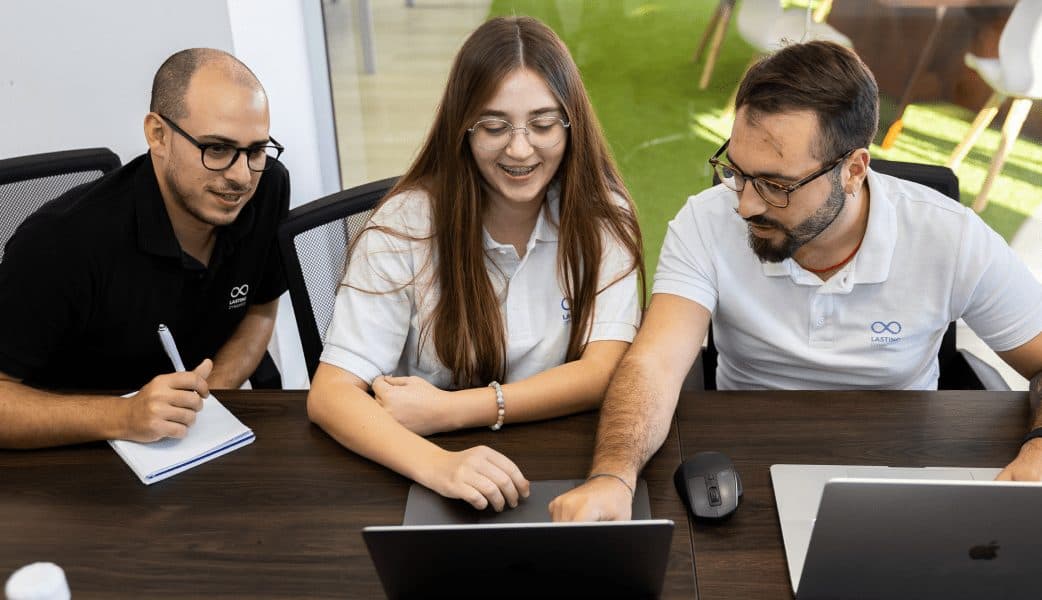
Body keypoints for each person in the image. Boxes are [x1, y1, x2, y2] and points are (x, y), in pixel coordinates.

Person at [549, 40, 1042, 521]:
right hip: (746, 471)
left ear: (853, 169)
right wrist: (612, 476)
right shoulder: (708, 220)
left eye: (776, 186)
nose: (745, 204)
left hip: (904, 469)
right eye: (737, 172)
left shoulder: (948, 236)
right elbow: (652, 364)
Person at [307, 16, 645, 512]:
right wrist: (439, 464)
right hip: (425, 470)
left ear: (571, 123)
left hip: (561, 465)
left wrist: (449, 411)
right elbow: (331, 394)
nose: (521, 148)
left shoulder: (601, 217)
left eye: (544, 124)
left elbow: (604, 371)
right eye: (494, 126)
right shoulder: (405, 225)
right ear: (462, 127)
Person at [0, 48, 290, 449]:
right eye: (217, 149)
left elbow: (260, 309)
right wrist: (126, 416)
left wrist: (208, 399)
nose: (241, 176)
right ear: (158, 135)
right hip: (76, 458)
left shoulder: (268, 186)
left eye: (255, 150)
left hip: (190, 443)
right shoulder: (58, 243)